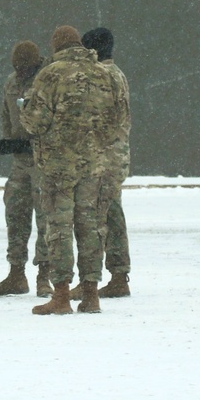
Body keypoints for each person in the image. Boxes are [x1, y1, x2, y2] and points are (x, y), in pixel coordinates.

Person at [20, 26, 117, 315]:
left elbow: (34, 122)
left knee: (59, 228)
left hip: (58, 165)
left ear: (57, 46)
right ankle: (91, 294)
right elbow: (115, 118)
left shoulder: (50, 74)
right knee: (90, 228)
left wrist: (25, 109)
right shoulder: (103, 73)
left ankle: (61, 295)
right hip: (94, 165)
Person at [0, 40, 52, 298]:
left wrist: (31, 142)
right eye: (17, 67)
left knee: (45, 218)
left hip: (43, 160)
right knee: (15, 213)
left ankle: (44, 274)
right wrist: (9, 140)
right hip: (20, 161)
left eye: (25, 67)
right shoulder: (11, 83)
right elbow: (6, 112)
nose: (20, 72)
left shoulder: (48, 80)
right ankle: (16, 273)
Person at [76, 27, 132, 299]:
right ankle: (119, 273)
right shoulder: (117, 73)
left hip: (101, 158)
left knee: (96, 218)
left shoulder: (100, 76)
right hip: (117, 156)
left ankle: (92, 281)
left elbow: (93, 119)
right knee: (112, 213)